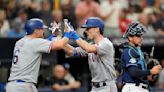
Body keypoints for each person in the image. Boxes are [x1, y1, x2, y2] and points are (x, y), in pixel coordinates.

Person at [6, 18, 72, 92]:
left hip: (13, 85)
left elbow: (42, 44)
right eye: (41, 29)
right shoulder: (35, 42)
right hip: (23, 86)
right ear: (36, 31)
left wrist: (53, 36)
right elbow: (59, 45)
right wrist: (68, 33)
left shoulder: (20, 42)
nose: (43, 31)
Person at [63, 17, 117, 92]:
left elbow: (89, 49)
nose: (86, 31)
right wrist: (61, 38)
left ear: (97, 29)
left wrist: (74, 34)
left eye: (88, 28)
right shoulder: (91, 44)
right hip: (95, 87)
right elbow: (71, 51)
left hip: (107, 87)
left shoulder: (106, 43)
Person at [120, 22, 162, 92]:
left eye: (141, 36)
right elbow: (133, 72)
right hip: (133, 88)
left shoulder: (136, 51)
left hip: (138, 87)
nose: (141, 38)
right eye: (138, 36)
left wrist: (148, 75)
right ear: (130, 37)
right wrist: (151, 71)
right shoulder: (129, 51)